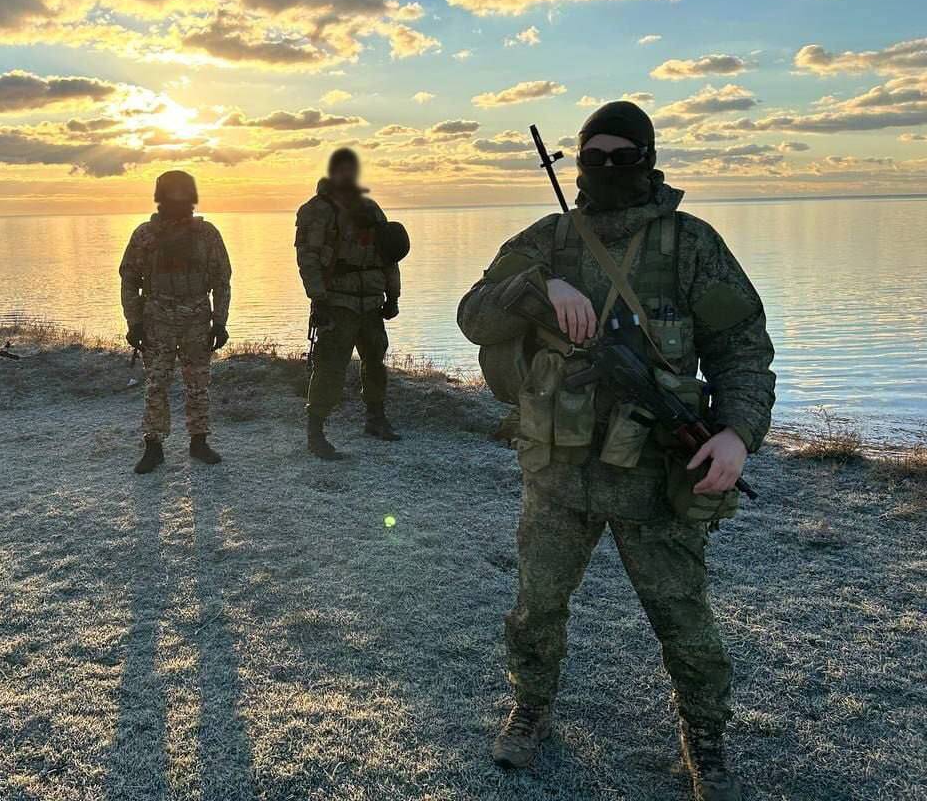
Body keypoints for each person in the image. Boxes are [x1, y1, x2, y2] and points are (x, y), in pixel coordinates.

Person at [457, 102, 775, 801]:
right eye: (592, 157)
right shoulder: (548, 240)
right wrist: (539, 286)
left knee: (684, 621)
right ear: (576, 162)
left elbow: (742, 349)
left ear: (648, 160)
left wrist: (736, 433)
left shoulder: (690, 244)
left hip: (656, 476)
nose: (605, 168)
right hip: (559, 471)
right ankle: (530, 709)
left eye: (621, 157)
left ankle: (705, 736)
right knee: (537, 607)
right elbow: (474, 314)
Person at [120, 170, 232, 474]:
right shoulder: (145, 235)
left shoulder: (206, 234)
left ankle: (199, 441)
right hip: (157, 320)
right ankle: (153, 446)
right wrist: (134, 323)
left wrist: (220, 322)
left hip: (197, 319)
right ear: (161, 197)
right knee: (156, 384)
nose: (178, 199)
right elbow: (129, 280)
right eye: (172, 193)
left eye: (183, 193)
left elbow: (221, 280)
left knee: (198, 384)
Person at [295, 147, 404, 459]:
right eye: (340, 169)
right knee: (330, 367)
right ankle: (316, 432)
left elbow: (389, 256)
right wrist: (318, 298)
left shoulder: (370, 208)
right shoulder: (316, 210)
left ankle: (375, 419)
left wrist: (393, 295)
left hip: (371, 302)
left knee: (375, 362)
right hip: (337, 301)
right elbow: (307, 259)